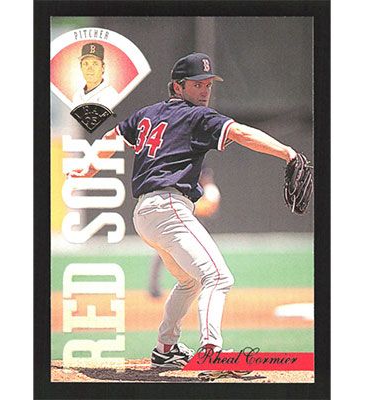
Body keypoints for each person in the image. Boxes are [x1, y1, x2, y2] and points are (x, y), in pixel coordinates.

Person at [69, 52, 298, 369]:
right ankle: (211, 351)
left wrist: (90, 168)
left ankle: (165, 348)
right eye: (197, 84)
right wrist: (287, 152)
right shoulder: (198, 117)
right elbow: (240, 132)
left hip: (145, 214)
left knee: (190, 281)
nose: (205, 90)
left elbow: (113, 136)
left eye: (208, 84)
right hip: (168, 208)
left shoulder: (148, 114)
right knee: (218, 277)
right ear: (177, 86)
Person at [148, 167, 221, 298]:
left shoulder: (210, 190)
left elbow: (208, 208)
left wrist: (190, 206)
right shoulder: (184, 184)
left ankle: (202, 286)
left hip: (197, 227)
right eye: (203, 176)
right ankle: (154, 288)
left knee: (201, 258)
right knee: (162, 253)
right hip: (176, 223)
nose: (204, 178)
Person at [72, 42, 120, 110]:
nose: (90, 68)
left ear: (103, 67)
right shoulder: (77, 95)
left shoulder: (111, 96)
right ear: (81, 67)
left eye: (95, 64)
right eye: (86, 64)